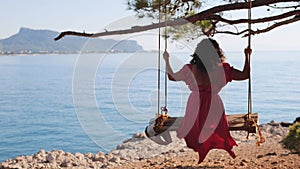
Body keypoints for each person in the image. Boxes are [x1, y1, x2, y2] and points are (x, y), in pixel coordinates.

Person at [163, 38, 251, 164]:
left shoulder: (190, 69)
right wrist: (247, 56)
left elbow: (171, 77)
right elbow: (244, 75)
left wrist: (166, 60)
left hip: (195, 103)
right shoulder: (223, 69)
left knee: (196, 127)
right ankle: (219, 147)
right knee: (214, 127)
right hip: (213, 103)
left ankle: (202, 149)